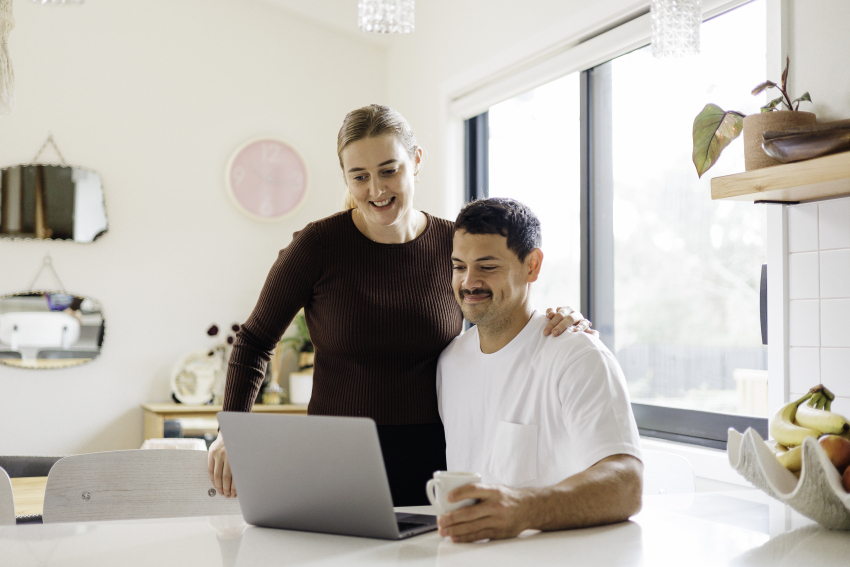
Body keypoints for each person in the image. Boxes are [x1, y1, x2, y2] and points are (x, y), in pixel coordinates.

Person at [208, 105, 590, 506]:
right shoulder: (317, 246)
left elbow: (497, 305)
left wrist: (555, 319)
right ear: (346, 178)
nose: (376, 189)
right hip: (334, 454)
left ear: (416, 161)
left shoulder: (452, 244)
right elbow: (254, 341)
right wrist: (229, 430)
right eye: (360, 176)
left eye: (389, 170)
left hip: (432, 454)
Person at [436, 198, 643, 542]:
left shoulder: (576, 355)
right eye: (459, 266)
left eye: (487, 266)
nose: (469, 282)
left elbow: (626, 484)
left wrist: (524, 509)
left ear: (532, 266)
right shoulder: (449, 363)